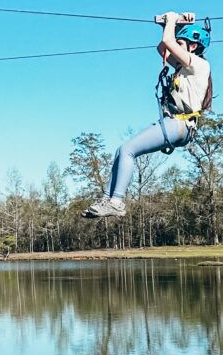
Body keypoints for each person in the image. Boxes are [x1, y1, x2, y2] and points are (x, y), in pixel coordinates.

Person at [82, 11, 212, 218]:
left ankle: (116, 201)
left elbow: (168, 42)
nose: (175, 46)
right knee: (120, 151)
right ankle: (108, 199)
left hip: (180, 124)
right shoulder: (182, 66)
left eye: (181, 42)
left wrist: (171, 20)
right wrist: (171, 27)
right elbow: (163, 47)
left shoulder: (199, 64)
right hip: (176, 124)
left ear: (193, 46)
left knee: (127, 150)